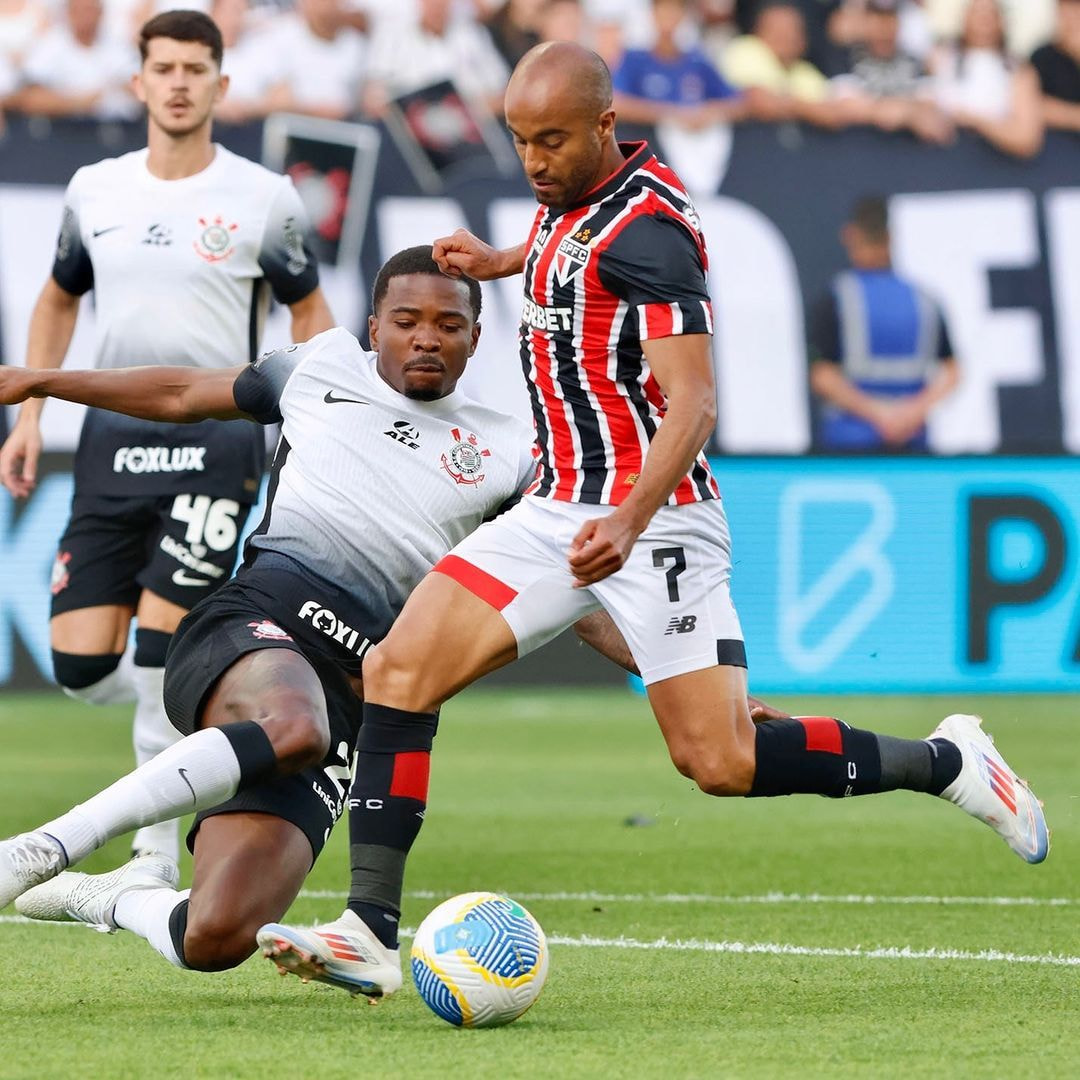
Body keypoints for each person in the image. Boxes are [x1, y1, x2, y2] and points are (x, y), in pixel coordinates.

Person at [255, 41, 1048, 998]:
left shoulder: (654, 232)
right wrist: (505, 260)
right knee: (400, 667)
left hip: (659, 518)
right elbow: (569, 255)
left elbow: (694, 405)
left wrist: (629, 520)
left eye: (552, 141)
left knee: (720, 760)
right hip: (558, 507)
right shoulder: (574, 200)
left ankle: (952, 763)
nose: (535, 161)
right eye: (519, 141)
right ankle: (368, 929)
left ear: (604, 126)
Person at [0, 249, 540, 981]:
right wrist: (42, 381)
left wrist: (685, 678)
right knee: (294, 723)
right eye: (407, 321)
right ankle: (43, 848)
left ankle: (115, 898)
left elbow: (567, 576)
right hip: (255, 625)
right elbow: (181, 391)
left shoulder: (510, 452)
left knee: (216, 936)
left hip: (354, 691)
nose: (426, 338)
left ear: (476, 339)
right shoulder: (320, 369)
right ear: (374, 326)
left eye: (449, 324)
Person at [0, 9, 334, 862]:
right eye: (166, 68)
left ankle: (151, 859)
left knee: (155, 646)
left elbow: (309, 309)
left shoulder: (264, 198)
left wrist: (320, 410)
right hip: (112, 441)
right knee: (81, 667)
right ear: (138, 81)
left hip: (220, 439)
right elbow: (57, 296)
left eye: (196, 68)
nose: (180, 82)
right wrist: (31, 414)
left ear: (222, 85)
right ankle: (219, 694)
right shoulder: (95, 189)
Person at [808, 196, 960, 451]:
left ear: (850, 235)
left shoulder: (837, 299)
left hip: (850, 443)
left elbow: (822, 376)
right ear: (890, 238)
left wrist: (880, 414)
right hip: (912, 440)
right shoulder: (925, 300)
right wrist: (911, 413)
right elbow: (953, 372)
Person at [929, 0, 1044, 157]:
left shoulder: (1018, 70)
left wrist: (974, 121)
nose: (982, 20)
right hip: (937, 162)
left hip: (991, 169)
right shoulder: (938, 57)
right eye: (976, 12)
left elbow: (1026, 140)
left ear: (1002, 21)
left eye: (990, 13)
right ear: (964, 17)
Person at [1031, 0, 1080, 132]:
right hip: (1056, 143)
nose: (1073, 17)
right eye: (1067, 10)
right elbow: (1032, 104)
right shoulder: (1042, 57)